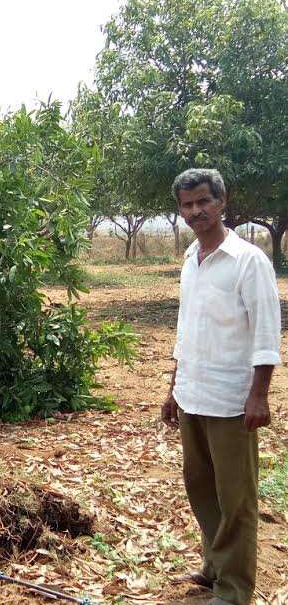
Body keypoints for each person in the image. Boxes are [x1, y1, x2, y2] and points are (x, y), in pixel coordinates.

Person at [161, 168, 281, 605]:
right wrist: (173, 388)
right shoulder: (190, 259)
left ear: (222, 202)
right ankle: (215, 566)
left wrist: (259, 394)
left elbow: (266, 333)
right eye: (188, 205)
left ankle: (233, 591)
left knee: (237, 499)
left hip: (232, 401)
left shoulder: (249, 261)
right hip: (193, 393)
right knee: (200, 486)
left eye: (204, 202)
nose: (197, 211)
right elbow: (185, 330)